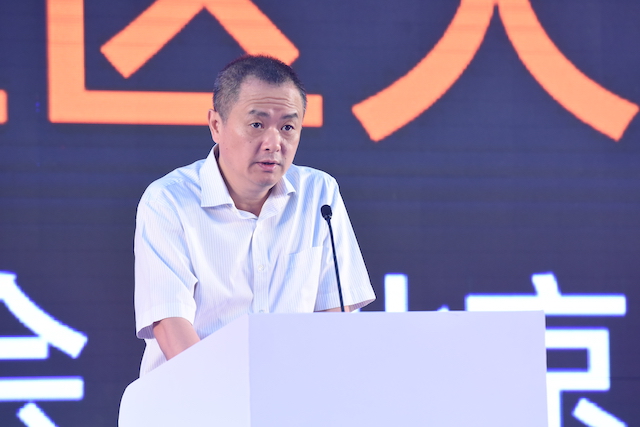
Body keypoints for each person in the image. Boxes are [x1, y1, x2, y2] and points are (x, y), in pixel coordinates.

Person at [134, 55, 375, 375]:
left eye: (287, 127)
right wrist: (232, 396)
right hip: (194, 393)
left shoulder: (320, 195)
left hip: (292, 394)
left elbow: (335, 315)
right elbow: (170, 324)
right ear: (216, 125)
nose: (274, 143)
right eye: (257, 125)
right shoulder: (168, 201)